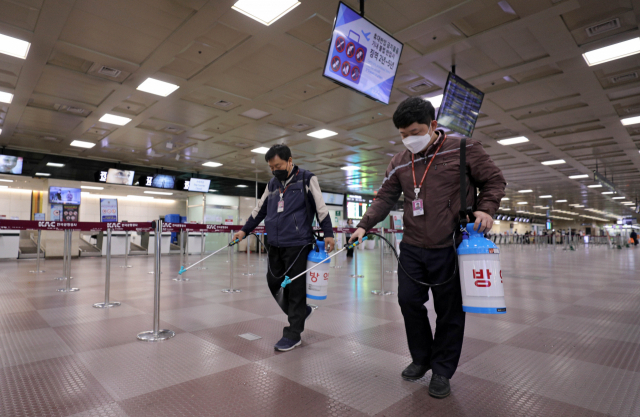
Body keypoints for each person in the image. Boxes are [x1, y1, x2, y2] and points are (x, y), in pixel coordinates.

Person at [349, 97, 506, 398]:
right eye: (403, 134)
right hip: (412, 246)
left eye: (416, 131)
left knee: (449, 311)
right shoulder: (399, 162)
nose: (409, 139)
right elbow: (384, 197)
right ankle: (421, 359)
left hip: (450, 245)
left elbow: (494, 180)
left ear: (433, 125)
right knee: (409, 302)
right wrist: (364, 224)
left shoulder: (464, 149)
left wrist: (486, 209)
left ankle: (442, 370)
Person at [234, 144, 335, 352]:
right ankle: (299, 312)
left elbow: (321, 208)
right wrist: (244, 231)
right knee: (274, 281)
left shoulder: (307, 178)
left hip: (298, 243)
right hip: (275, 242)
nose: (274, 170)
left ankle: (293, 333)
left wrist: (329, 234)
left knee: (295, 288)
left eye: (278, 165)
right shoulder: (272, 184)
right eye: (271, 167)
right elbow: (259, 210)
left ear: (290, 161)